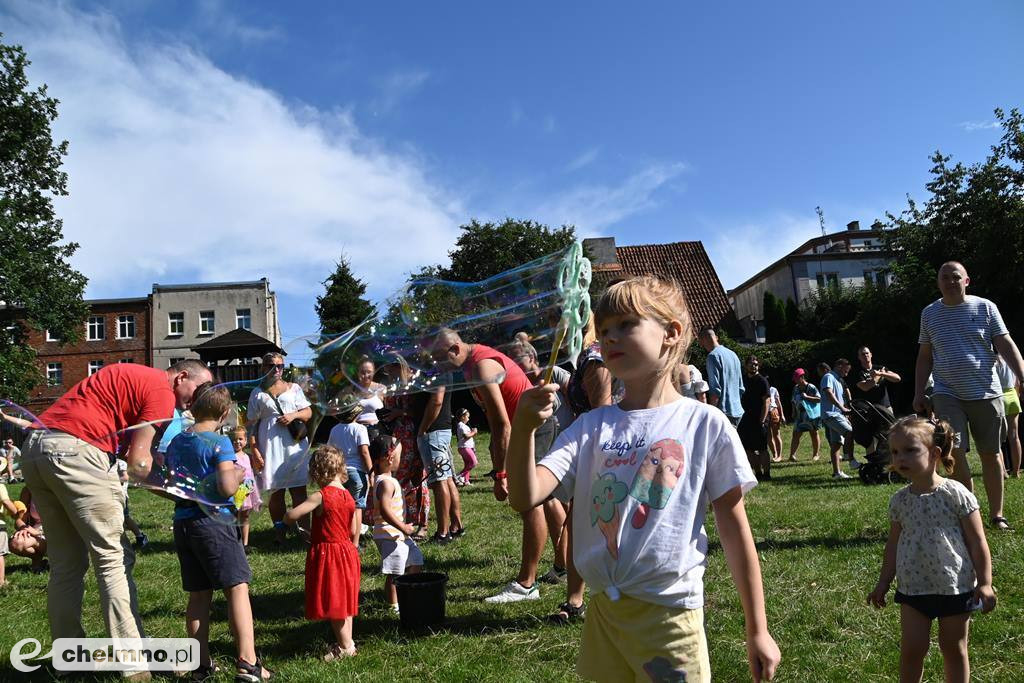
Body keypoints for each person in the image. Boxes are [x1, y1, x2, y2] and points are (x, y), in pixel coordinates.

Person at [507, 276, 780, 682]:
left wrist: (757, 627)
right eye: (603, 331)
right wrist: (524, 429)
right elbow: (525, 494)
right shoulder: (591, 426)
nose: (609, 339)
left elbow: (735, 528)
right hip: (604, 617)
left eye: (626, 325)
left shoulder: (704, 423)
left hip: (671, 617)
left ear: (670, 333)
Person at [20, 359, 211, 679]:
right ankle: (134, 663)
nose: (198, 400)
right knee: (114, 558)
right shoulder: (161, 391)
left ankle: (68, 659)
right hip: (76, 450)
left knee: (66, 564)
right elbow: (139, 464)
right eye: (197, 390)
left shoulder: (128, 375)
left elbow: (130, 458)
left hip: (36, 450)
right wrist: (192, 495)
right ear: (180, 377)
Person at [867, 416, 995, 682]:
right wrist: (883, 583)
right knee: (913, 649)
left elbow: (977, 540)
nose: (900, 457)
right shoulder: (899, 501)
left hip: (954, 586)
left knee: (953, 648)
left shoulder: (956, 493)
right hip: (913, 588)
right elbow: (892, 546)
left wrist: (985, 583)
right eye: (895, 451)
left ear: (935, 453)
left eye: (911, 450)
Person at [430, 328, 545, 603]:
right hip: (530, 425)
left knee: (531, 502)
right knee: (547, 501)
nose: (439, 366)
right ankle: (562, 568)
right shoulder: (472, 364)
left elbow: (501, 424)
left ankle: (526, 585)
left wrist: (500, 474)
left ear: (455, 349)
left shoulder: (481, 366)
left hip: (532, 427)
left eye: (441, 359)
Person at [166, 384, 271, 682]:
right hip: (213, 524)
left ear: (194, 408)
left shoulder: (176, 442)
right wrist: (238, 474)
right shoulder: (219, 443)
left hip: (184, 524)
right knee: (237, 588)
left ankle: (200, 665)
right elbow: (227, 487)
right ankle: (248, 663)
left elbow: (172, 485)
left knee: (198, 596)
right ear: (225, 413)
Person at [913, 261, 1024, 530]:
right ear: (938, 282)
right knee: (956, 452)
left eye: (955, 277)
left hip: (986, 392)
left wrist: (1022, 374)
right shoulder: (929, 314)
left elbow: (1005, 344)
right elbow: (924, 357)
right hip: (946, 392)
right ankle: (969, 509)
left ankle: (997, 515)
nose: (950, 282)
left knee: (991, 453)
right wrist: (918, 392)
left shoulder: (985, 307)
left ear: (966, 281)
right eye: (945, 278)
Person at [505, 334, 570, 589]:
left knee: (549, 497)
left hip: (558, 433)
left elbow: (576, 394)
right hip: (540, 435)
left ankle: (562, 565)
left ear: (532, 357)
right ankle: (562, 565)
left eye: (517, 360)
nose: (513, 366)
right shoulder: (522, 383)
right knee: (551, 496)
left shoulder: (553, 373)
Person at [285, 445, 361, 661]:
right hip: (347, 551)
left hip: (329, 555)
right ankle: (349, 641)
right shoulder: (348, 496)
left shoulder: (320, 496)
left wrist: (286, 518)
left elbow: (294, 514)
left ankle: (345, 647)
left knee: (334, 600)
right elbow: (354, 529)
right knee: (345, 600)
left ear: (317, 472)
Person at [247, 352, 313, 544]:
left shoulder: (294, 389)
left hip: (293, 445)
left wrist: (293, 416)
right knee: (276, 492)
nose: (277, 369)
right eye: (272, 365)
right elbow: (252, 423)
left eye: (280, 366)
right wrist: (254, 449)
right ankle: (280, 533)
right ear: (263, 368)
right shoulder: (257, 393)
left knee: (299, 491)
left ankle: (305, 532)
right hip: (269, 445)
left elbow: (308, 412)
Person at [369, 434, 424, 613]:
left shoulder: (386, 481)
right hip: (390, 534)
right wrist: (404, 527)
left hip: (397, 534)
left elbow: (385, 503)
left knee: (415, 558)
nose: (401, 459)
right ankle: (393, 607)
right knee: (395, 572)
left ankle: (409, 592)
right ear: (389, 458)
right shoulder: (385, 482)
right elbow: (384, 510)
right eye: (400, 455)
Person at [378, 370, 430, 539]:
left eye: (394, 365)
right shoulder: (391, 387)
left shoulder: (415, 385)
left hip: (412, 436)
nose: (389, 369)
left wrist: (400, 413)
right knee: (399, 480)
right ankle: (404, 520)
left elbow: (422, 412)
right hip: (396, 436)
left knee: (418, 480)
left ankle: (423, 524)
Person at [411, 379, 464, 544]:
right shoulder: (440, 367)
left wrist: (423, 427)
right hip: (439, 430)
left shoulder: (435, 370)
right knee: (447, 479)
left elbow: (437, 400)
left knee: (440, 481)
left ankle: (443, 532)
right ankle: (456, 526)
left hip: (433, 432)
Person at [327, 401, 372, 539]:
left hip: (339, 474)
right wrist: (371, 472)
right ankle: (355, 541)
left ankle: (340, 535)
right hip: (356, 472)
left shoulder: (335, 429)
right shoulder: (360, 429)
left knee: (341, 507)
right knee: (357, 507)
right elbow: (364, 452)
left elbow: (330, 450)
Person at [698, 328, 744, 426]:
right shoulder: (733, 355)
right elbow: (740, 387)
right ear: (716, 337)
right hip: (737, 410)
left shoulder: (712, 356)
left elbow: (715, 390)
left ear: (702, 340)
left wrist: (712, 415)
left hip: (723, 412)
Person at [819, 360, 856, 479]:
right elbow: (829, 393)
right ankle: (850, 459)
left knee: (836, 444)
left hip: (837, 414)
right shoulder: (828, 376)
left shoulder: (838, 381)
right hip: (831, 414)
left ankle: (837, 473)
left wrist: (844, 412)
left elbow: (840, 399)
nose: (847, 374)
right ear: (839, 366)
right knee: (850, 432)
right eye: (846, 370)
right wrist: (842, 409)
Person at [737, 356, 772, 480]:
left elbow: (767, 401)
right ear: (746, 365)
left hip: (760, 420)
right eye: (751, 364)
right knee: (748, 449)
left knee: (762, 448)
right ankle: (758, 473)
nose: (754, 366)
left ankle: (767, 474)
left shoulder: (762, 381)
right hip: (746, 419)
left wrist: (762, 420)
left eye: (756, 364)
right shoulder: (743, 380)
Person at [230, 426, 262, 548]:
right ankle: (234, 541)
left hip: (247, 490)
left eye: (240, 439)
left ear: (246, 440)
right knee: (234, 516)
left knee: (245, 515)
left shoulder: (248, 456)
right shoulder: (230, 458)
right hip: (236, 490)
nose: (237, 442)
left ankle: (245, 543)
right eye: (233, 439)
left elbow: (253, 473)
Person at [787, 368, 821, 462]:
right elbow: (793, 401)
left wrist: (807, 397)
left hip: (811, 415)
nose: (796, 380)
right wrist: (793, 411)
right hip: (799, 415)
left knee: (814, 433)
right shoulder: (796, 388)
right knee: (796, 434)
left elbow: (819, 399)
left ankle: (816, 454)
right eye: (795, 378)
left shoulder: (811, 387)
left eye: (797, 378)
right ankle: (792, 455)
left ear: (802, 377)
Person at [115, 458, 148, 550]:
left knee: (125, 517)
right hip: (110, 495)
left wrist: (108, 480)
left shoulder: (120, 462)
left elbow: (125, 477)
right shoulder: (105, 462)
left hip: (121, 496)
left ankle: (140, 536)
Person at [996, 357, 1021, 477]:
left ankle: (1003, 471)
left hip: (998, 397)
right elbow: (1017, 382)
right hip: (1012, 395)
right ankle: (1016, 471)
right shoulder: (1011, 360)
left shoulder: (991, 360)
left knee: (997, 440)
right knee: (1014, 436)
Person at [354, 357, 386, 437]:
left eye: (369, 372)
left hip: (377, 431)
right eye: (362, 372)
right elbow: (337, 409)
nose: (366, 375)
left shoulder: (381, 388)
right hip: (357, 431)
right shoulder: (351, 389)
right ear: (358, 373)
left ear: (374, 372)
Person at [454, 408, 478, 485]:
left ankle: (466, 480)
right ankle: (458, 476)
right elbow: (466, 436)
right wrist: (473, 432)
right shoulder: (461, 426)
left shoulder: (463, 425)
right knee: (473, 462)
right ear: (462, 417)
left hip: (466, 447)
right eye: (467, 416)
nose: (468, 418)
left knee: (467, 464)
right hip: (465, 448)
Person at [766, 381, 784, 462]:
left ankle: (779, 455)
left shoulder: (773, 389)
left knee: (776, 434)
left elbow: (778, 402)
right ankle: (774, 454)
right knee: (768, 436)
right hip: (765, 413)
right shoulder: (760, 388)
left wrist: (782, 415)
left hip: (773, 411)